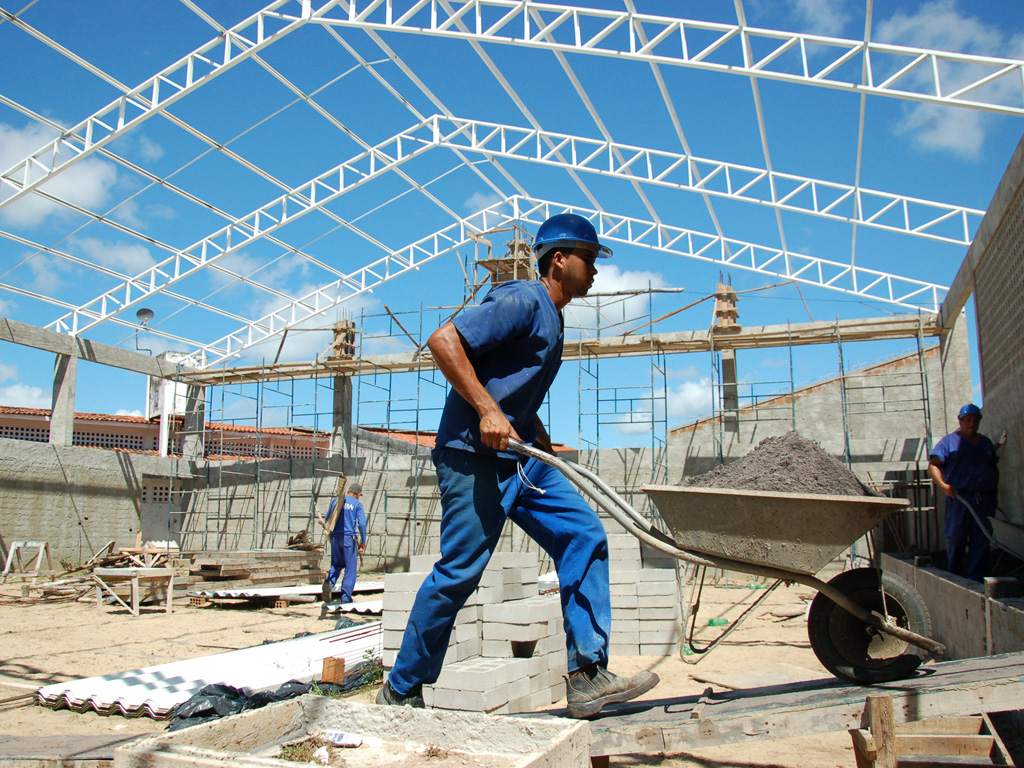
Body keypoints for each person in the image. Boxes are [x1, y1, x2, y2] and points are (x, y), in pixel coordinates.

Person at [376, 213, 659, 719]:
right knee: (460, 572)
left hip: (524, 459)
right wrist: (486, 409)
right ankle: (401, 688)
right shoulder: (522, 299)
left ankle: (587, 673)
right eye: (588, 260)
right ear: (558, 260)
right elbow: (444, 341)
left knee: (584, 534)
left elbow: (517, 389)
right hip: (474, 458)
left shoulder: (556, 315)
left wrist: (541, 438)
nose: (594, 270)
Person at [928, 404, 1005, 582]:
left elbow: (993, 466)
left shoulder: (985, 443)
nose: (972, 423)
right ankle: (955, 576)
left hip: (984, 499)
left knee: (981, 539)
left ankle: (976, 580)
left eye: (975, 420)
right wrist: (942, 486)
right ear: (960, 421)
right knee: (956, 537)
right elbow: (933, 465)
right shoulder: (949, 442)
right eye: (968, 420)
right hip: (960, 498)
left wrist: (994, 490)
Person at [320, 482, 367, 603]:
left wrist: (329, 532)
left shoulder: (336, 500)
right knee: (350, 568)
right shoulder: (357, 504)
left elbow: (327, 518)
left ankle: (329, 583)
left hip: (335, 537)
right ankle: (346, 597)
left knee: (336, 564)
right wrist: (363, 540)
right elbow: (362, 524)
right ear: (357, 494)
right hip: (348, 538)